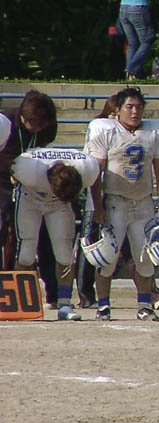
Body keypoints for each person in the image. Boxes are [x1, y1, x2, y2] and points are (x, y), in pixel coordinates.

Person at [85, 88, 159, 321]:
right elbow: (96, 172)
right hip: (115, 202)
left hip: (143, 203)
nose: (135, 112)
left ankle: (144, 305)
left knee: (145, 258)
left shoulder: (154, 132)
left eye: (139, 107)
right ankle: (103, 305)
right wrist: (98, 207)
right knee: (107, 257)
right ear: (118, 109)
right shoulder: (106, 130)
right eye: (129, 107)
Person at [11, 148, 100, 320]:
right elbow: (13, 176)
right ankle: (20, 303)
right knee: (26, 254)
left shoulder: (85, 167)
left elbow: (94, 179)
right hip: (30, 198)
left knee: (65, 254)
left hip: (59, 204)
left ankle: (64, 303)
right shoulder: (29, 168)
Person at [0, 91, 58, 302]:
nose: (38, 128)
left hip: (32, 184)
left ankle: (53, 293)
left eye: (42, 124)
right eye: (34, 123)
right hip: (3, 183)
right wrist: (14, 171)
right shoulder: (6, 123)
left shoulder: (48, 127)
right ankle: (5, 286)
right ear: (23, 116)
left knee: (43, 235)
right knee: (4, 232)